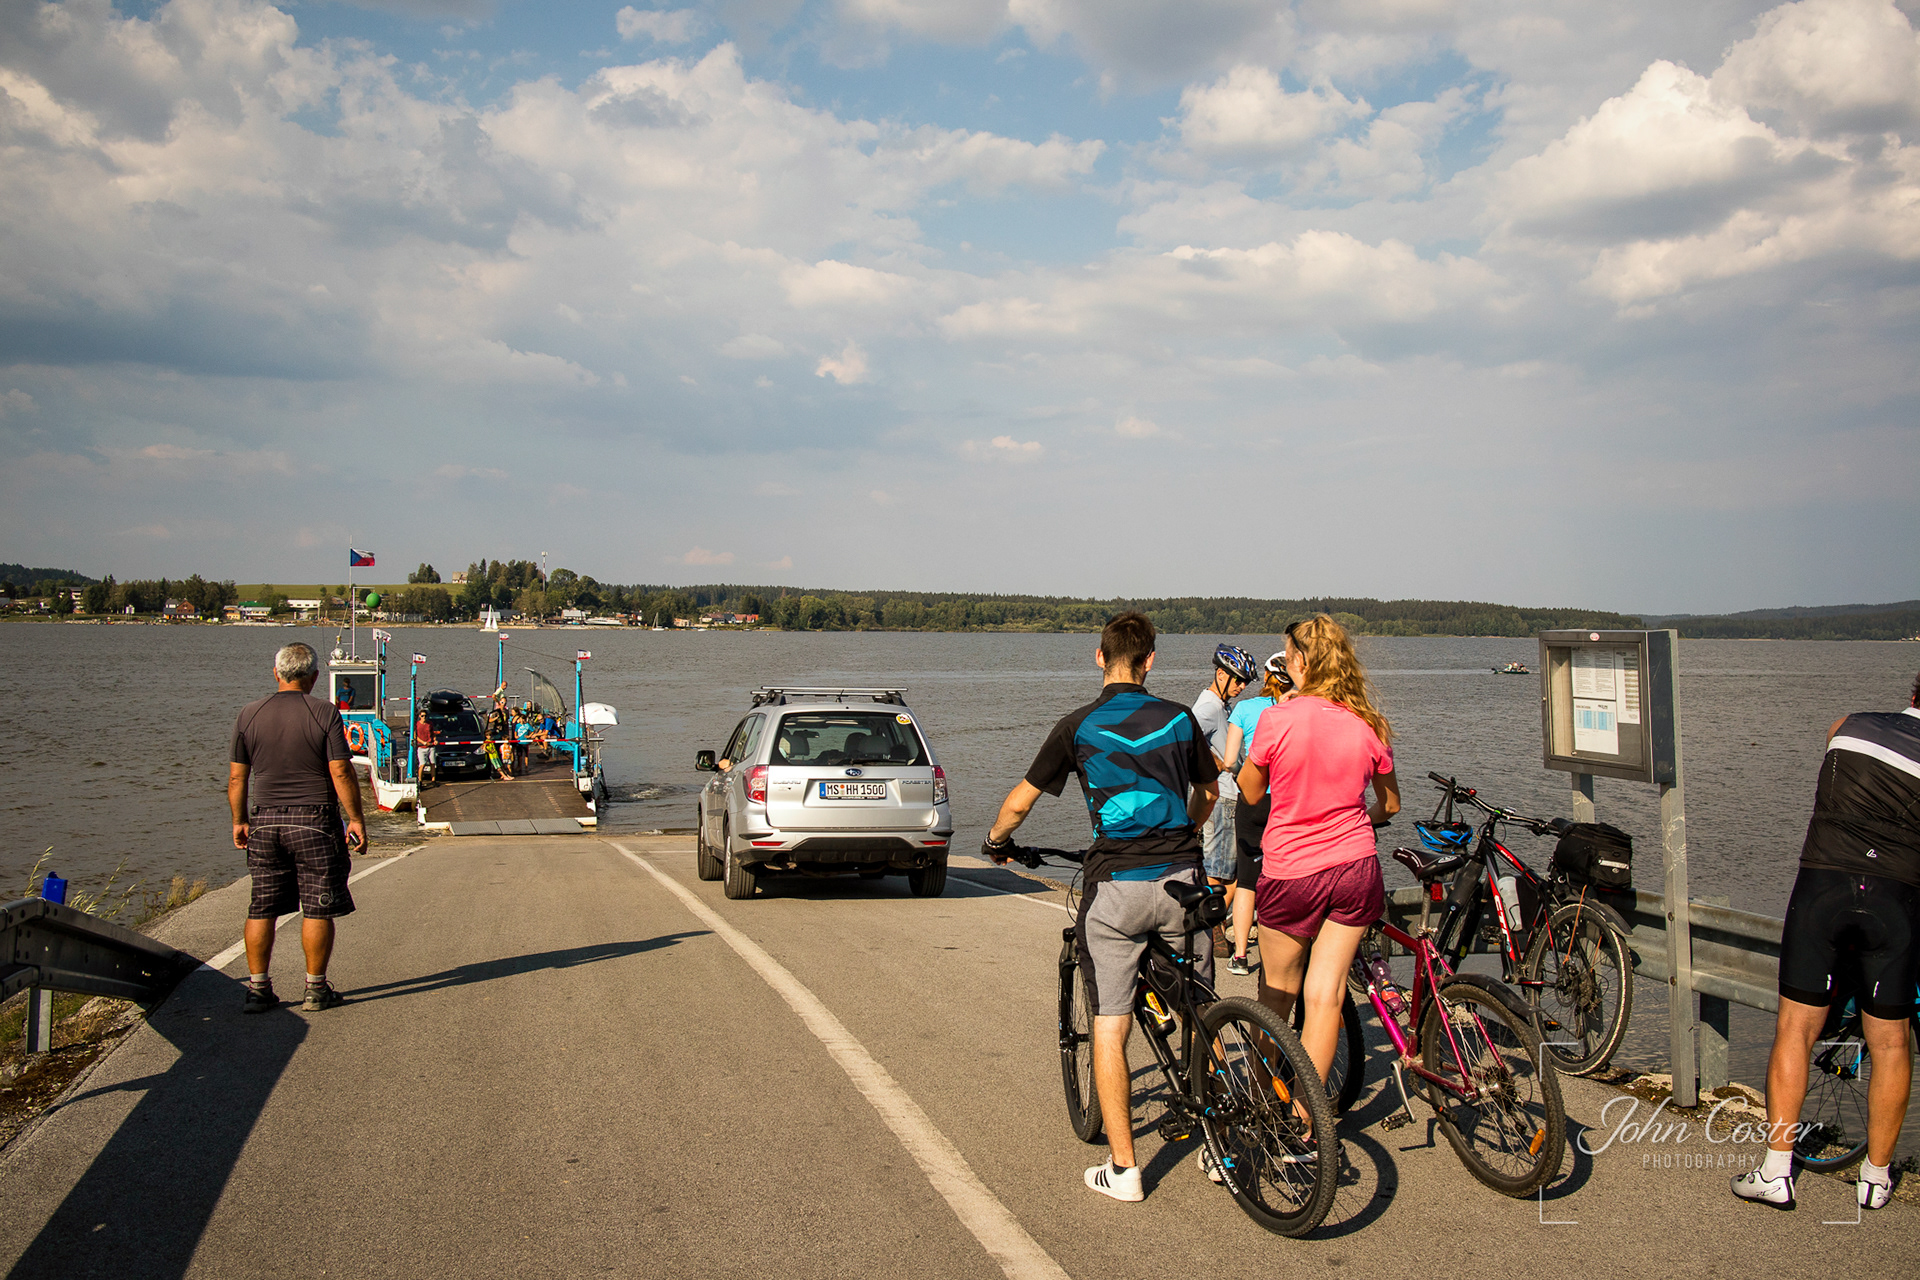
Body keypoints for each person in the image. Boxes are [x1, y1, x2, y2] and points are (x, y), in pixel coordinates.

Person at [982, 612, 1219, 1203]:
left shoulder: (1078, 726)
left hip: (1115, 888)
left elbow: (1018, 805)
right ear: (1151, 661)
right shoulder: (1181, 718)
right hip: (1183, 882)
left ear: (1099, 657)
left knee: (1108, 1028)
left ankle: (1125, 1170)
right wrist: (1183, 836)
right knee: (1200, 1013)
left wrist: (995, 844)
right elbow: (1210, 791)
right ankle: (1223, 1142)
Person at [1732, 672, 1920, 1212]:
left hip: (1823, 890)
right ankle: (1876, 1179)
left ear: (1911, 694)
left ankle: (1775, 1172)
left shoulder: (1852, 726)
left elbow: (1834, 731)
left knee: (1795, 1029)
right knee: (1890, 1044)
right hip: (1896, 902)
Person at [1235, 615, 1399, 1096]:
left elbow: (1249, 790)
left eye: (1288, 657)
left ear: (1302, 663)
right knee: (1325, 995)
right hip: (1356, 867)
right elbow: (1390, 804)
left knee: (1276, 997)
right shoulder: (1368, 723)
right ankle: (1309, 1124)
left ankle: (1263, 1102)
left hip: (1293, 873)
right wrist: (1350, 821)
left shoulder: (1276, 719)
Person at [228, 642, 367, 1014]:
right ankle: (315, 990)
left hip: (265, 821)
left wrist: (240, 820)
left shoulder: (248, 715)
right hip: (315, 821)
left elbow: (237, 778)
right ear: (315, 677)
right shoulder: (325, 712)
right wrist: (355, 819)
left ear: (276, 674)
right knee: (317, 907)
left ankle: (258, 989)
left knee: (262, 907)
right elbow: (340, 770)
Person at [1220, 652, 1292, 975]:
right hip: (1286, 803)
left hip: (1252, 799)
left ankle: (1239, 955)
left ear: (1266, 678)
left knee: (1246, 879)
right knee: (1280, 877)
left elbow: (1230, 759)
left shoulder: (1245, 710)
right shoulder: (1297, 711)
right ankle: (1279, 953)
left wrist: (1241, 777)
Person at [1194, 645, 1258, 905]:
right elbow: (1187, 735)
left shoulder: (1221, 706)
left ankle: (1212, 928)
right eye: (1238, 680)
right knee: (1222, 874)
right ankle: (1212, 932)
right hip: (1222, 799)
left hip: (1226, 798)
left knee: (1227, 871)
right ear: (1221, 674)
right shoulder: (1209, 707)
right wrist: (1216, 763)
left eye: (1245, 682)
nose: (1241, 686)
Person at [414, 708, 436, 781]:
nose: (424, 718)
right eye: (422, 716)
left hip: (430, 746)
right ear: (420, 716)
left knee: (432, 763)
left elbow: (433, 733)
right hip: (421, 747)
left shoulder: (429, 724)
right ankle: (420, 780)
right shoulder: (417, 725)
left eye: (425, 716)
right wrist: (423, 742)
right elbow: (415, 736)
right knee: (422, 764)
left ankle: (433, 780)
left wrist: (435, 740)